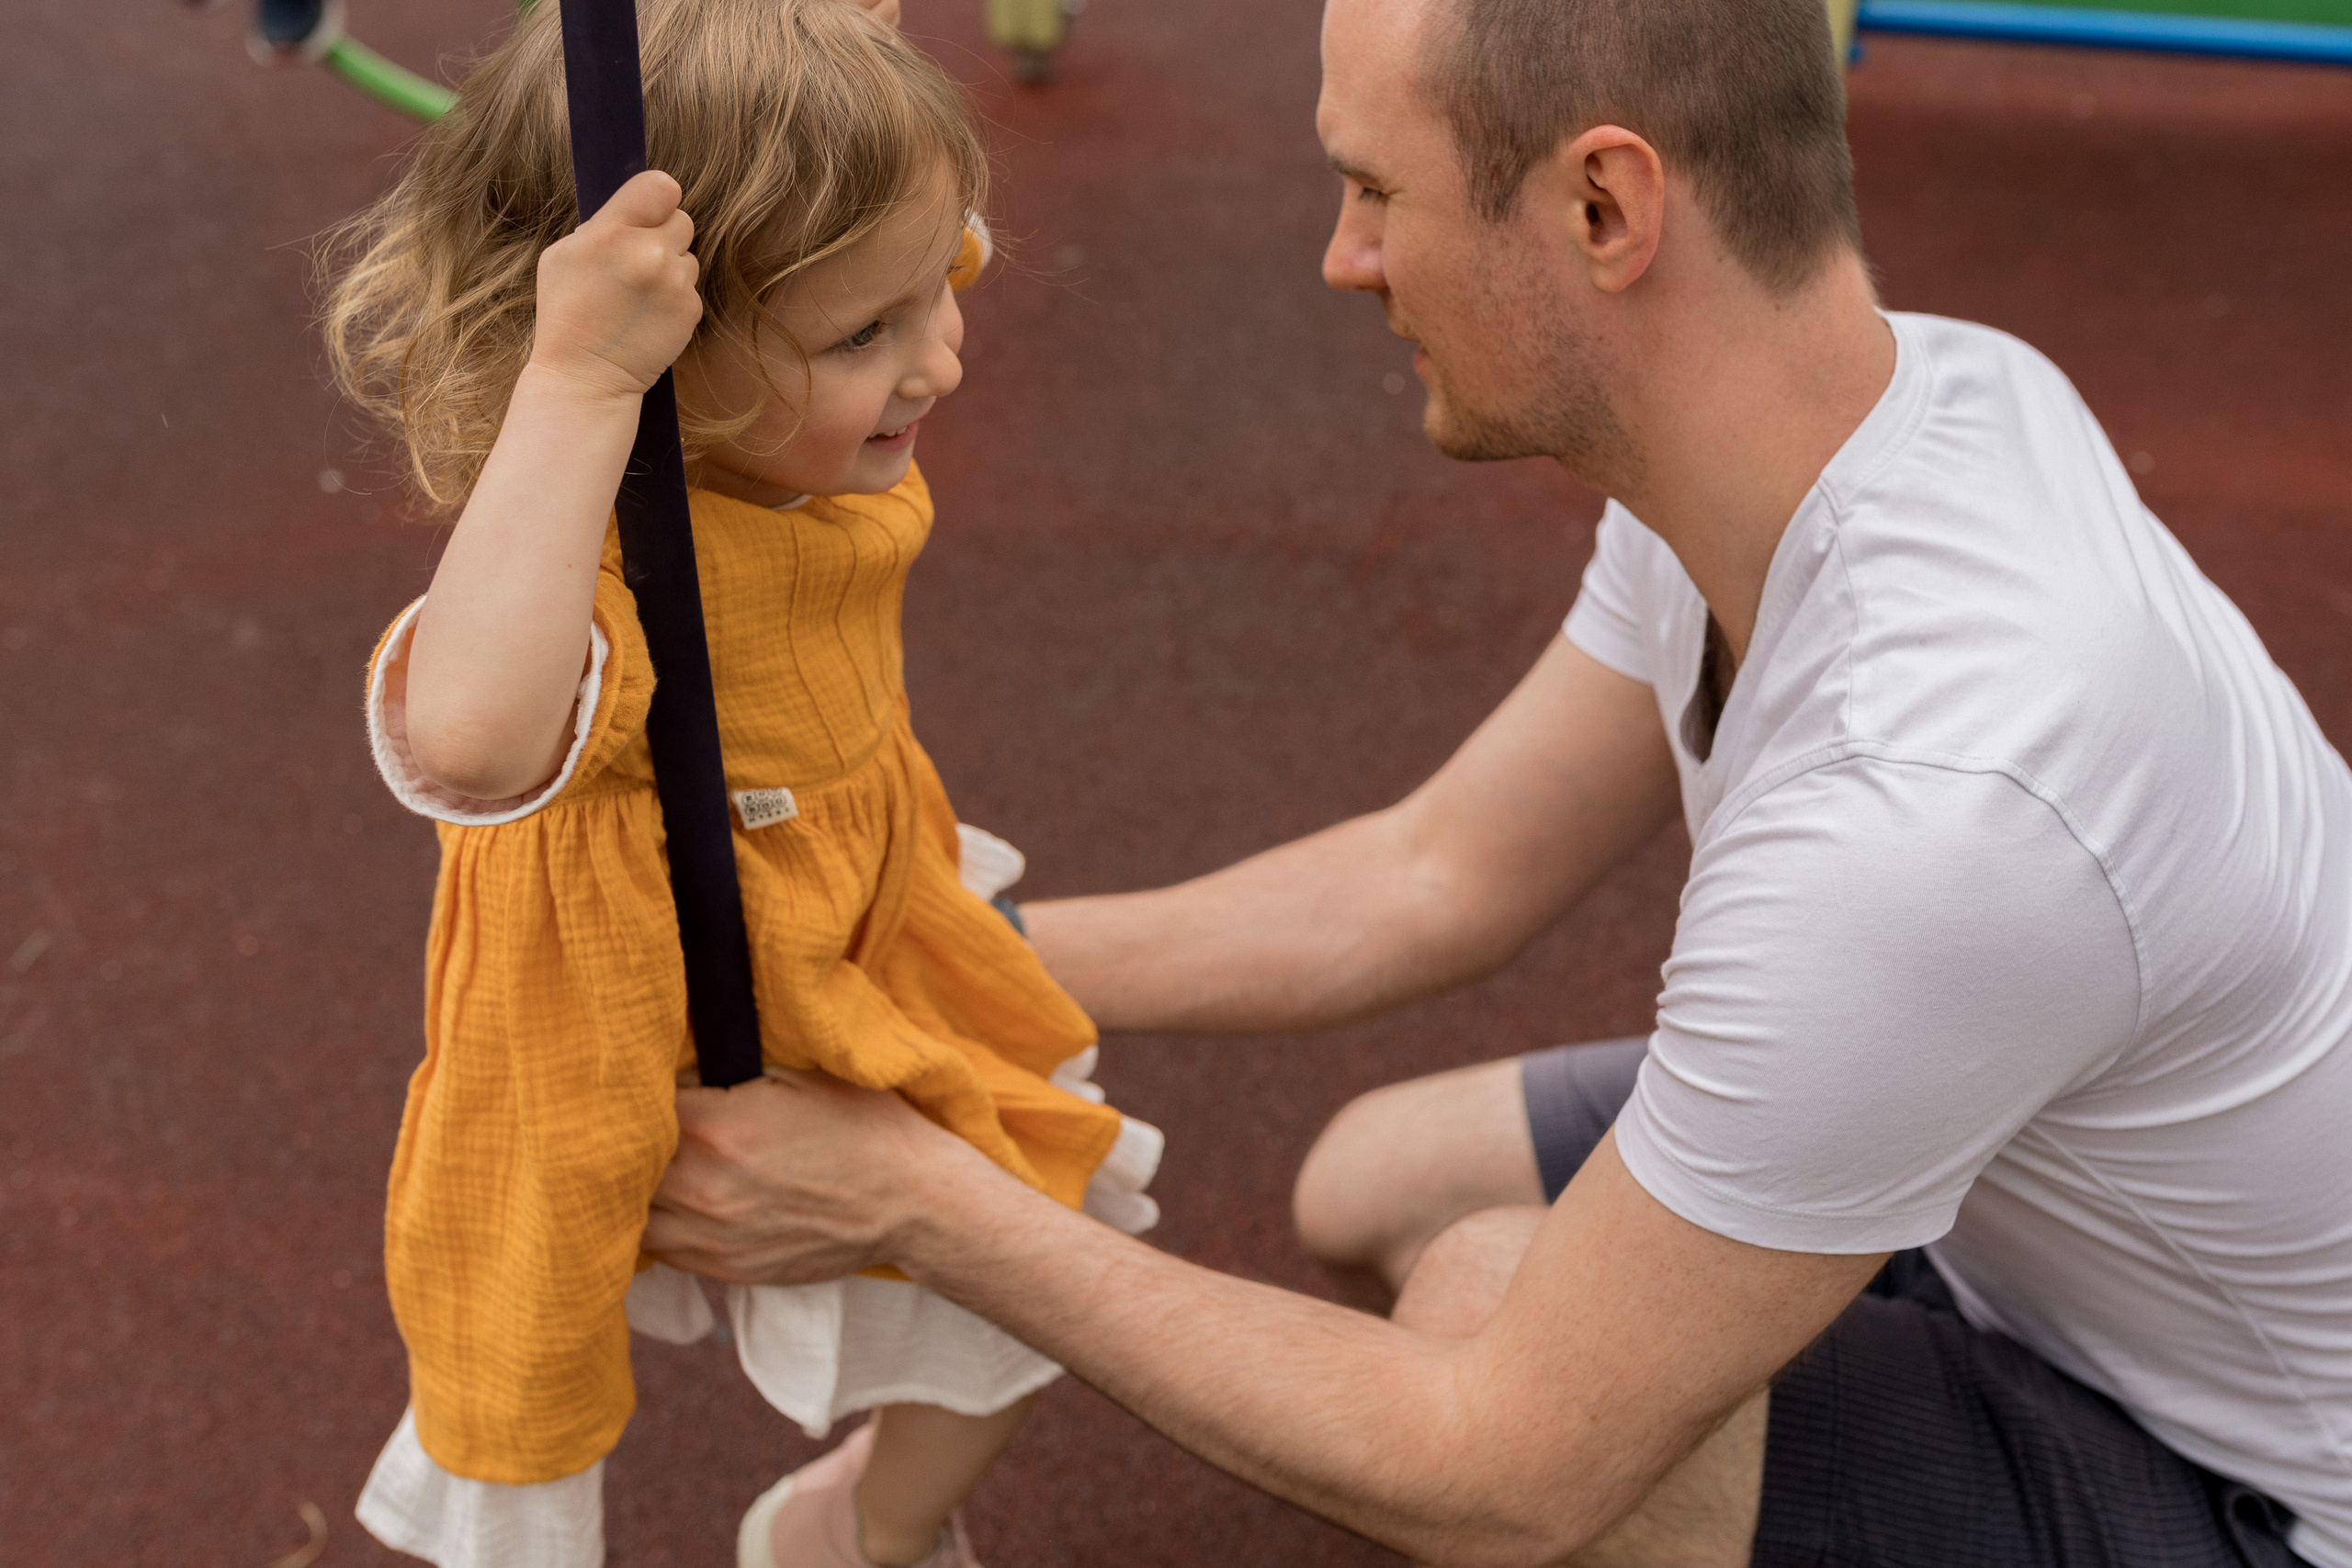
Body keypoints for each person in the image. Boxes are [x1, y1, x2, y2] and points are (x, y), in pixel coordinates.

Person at [639, 0, 2352, 1563]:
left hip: (2265, 1489)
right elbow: (1436, 872)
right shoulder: (1869, 410)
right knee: (1379, 1186)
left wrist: (912, 1200)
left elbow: (1500, 1469)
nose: (1343, 258)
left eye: (1375, 191)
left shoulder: (1933, 809)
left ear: (1605, 206)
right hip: (2040, 1221)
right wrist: (902, 963)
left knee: (1483, 1332)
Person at [320, 2, 1161, 1565]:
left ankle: (859, 1537)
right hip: (601, 1019)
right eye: (868, 336)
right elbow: (472, 739)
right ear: (653, 352)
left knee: (1031, 1258)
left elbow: (855, 151)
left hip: (839, 940)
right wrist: (578, 389)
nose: (941, 355)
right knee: (521, 1374)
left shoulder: (820, 361)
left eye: (938, 286)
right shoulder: (591, 560)